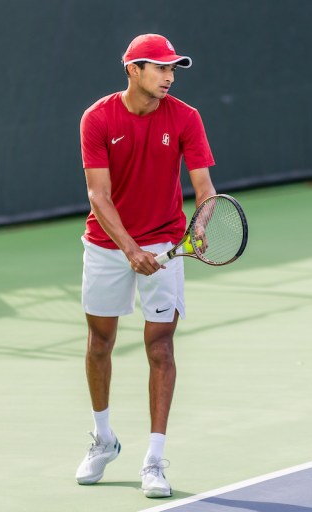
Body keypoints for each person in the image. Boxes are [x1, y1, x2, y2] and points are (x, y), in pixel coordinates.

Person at [75, 33, 216, 499]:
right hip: (107, 246)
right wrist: (131, 250)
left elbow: (206, 190)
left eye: (173, 69)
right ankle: (103, 439)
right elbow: (99, 195)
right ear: (133, 69)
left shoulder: (186, 118)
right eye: (160, 68)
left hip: (164, 240)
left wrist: (197, 228)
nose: (170, 77)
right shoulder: (97, 118)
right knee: (100, 342)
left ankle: (154, 460)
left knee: (161, 348)